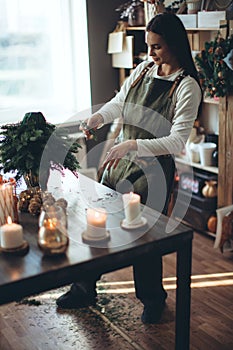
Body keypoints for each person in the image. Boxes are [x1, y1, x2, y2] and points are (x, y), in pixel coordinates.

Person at [56, 12, 202, 324]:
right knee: (97, 227)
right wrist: (98, 117)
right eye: (149, 46)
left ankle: (152, 299)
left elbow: (177, 141)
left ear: (175, 44)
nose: (150, 54)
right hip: (118, 163)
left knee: (144, 241)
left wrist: (133, 146)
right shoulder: (142, 70)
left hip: (152, 174)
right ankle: (84, 288)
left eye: (157, 47)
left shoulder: (187, 87)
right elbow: (120, 104)